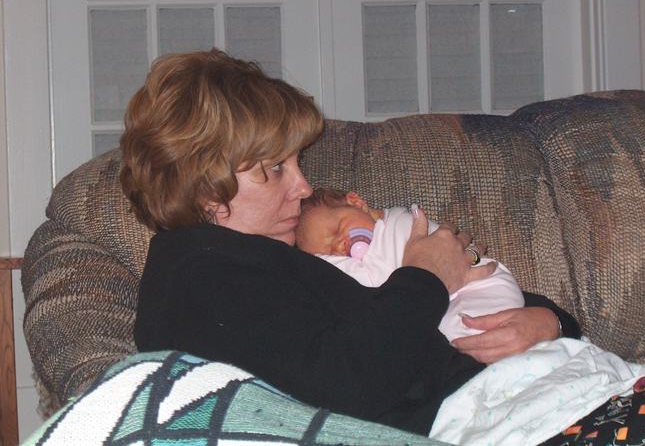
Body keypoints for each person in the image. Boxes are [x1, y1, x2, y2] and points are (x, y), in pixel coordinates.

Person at [121, 48, 580, 436]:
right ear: (207, 188)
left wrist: (550, 323)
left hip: (537, 391)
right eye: (276, 168)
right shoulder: (197, 282)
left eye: (297, 163)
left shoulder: (271, 254)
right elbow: (342, 389)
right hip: (497, 421)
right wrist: (425, 275)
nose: (303, 187)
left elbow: (429, 298)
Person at [294, 188, 525, 342]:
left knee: (458, 340)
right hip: (469, 296)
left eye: (337, 230)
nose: (339, 245)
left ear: (357, 203)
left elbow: (373, 284)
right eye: (326, 252)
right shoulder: (390, 221)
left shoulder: (389, 234)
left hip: (480, 291)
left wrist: (324, 262)